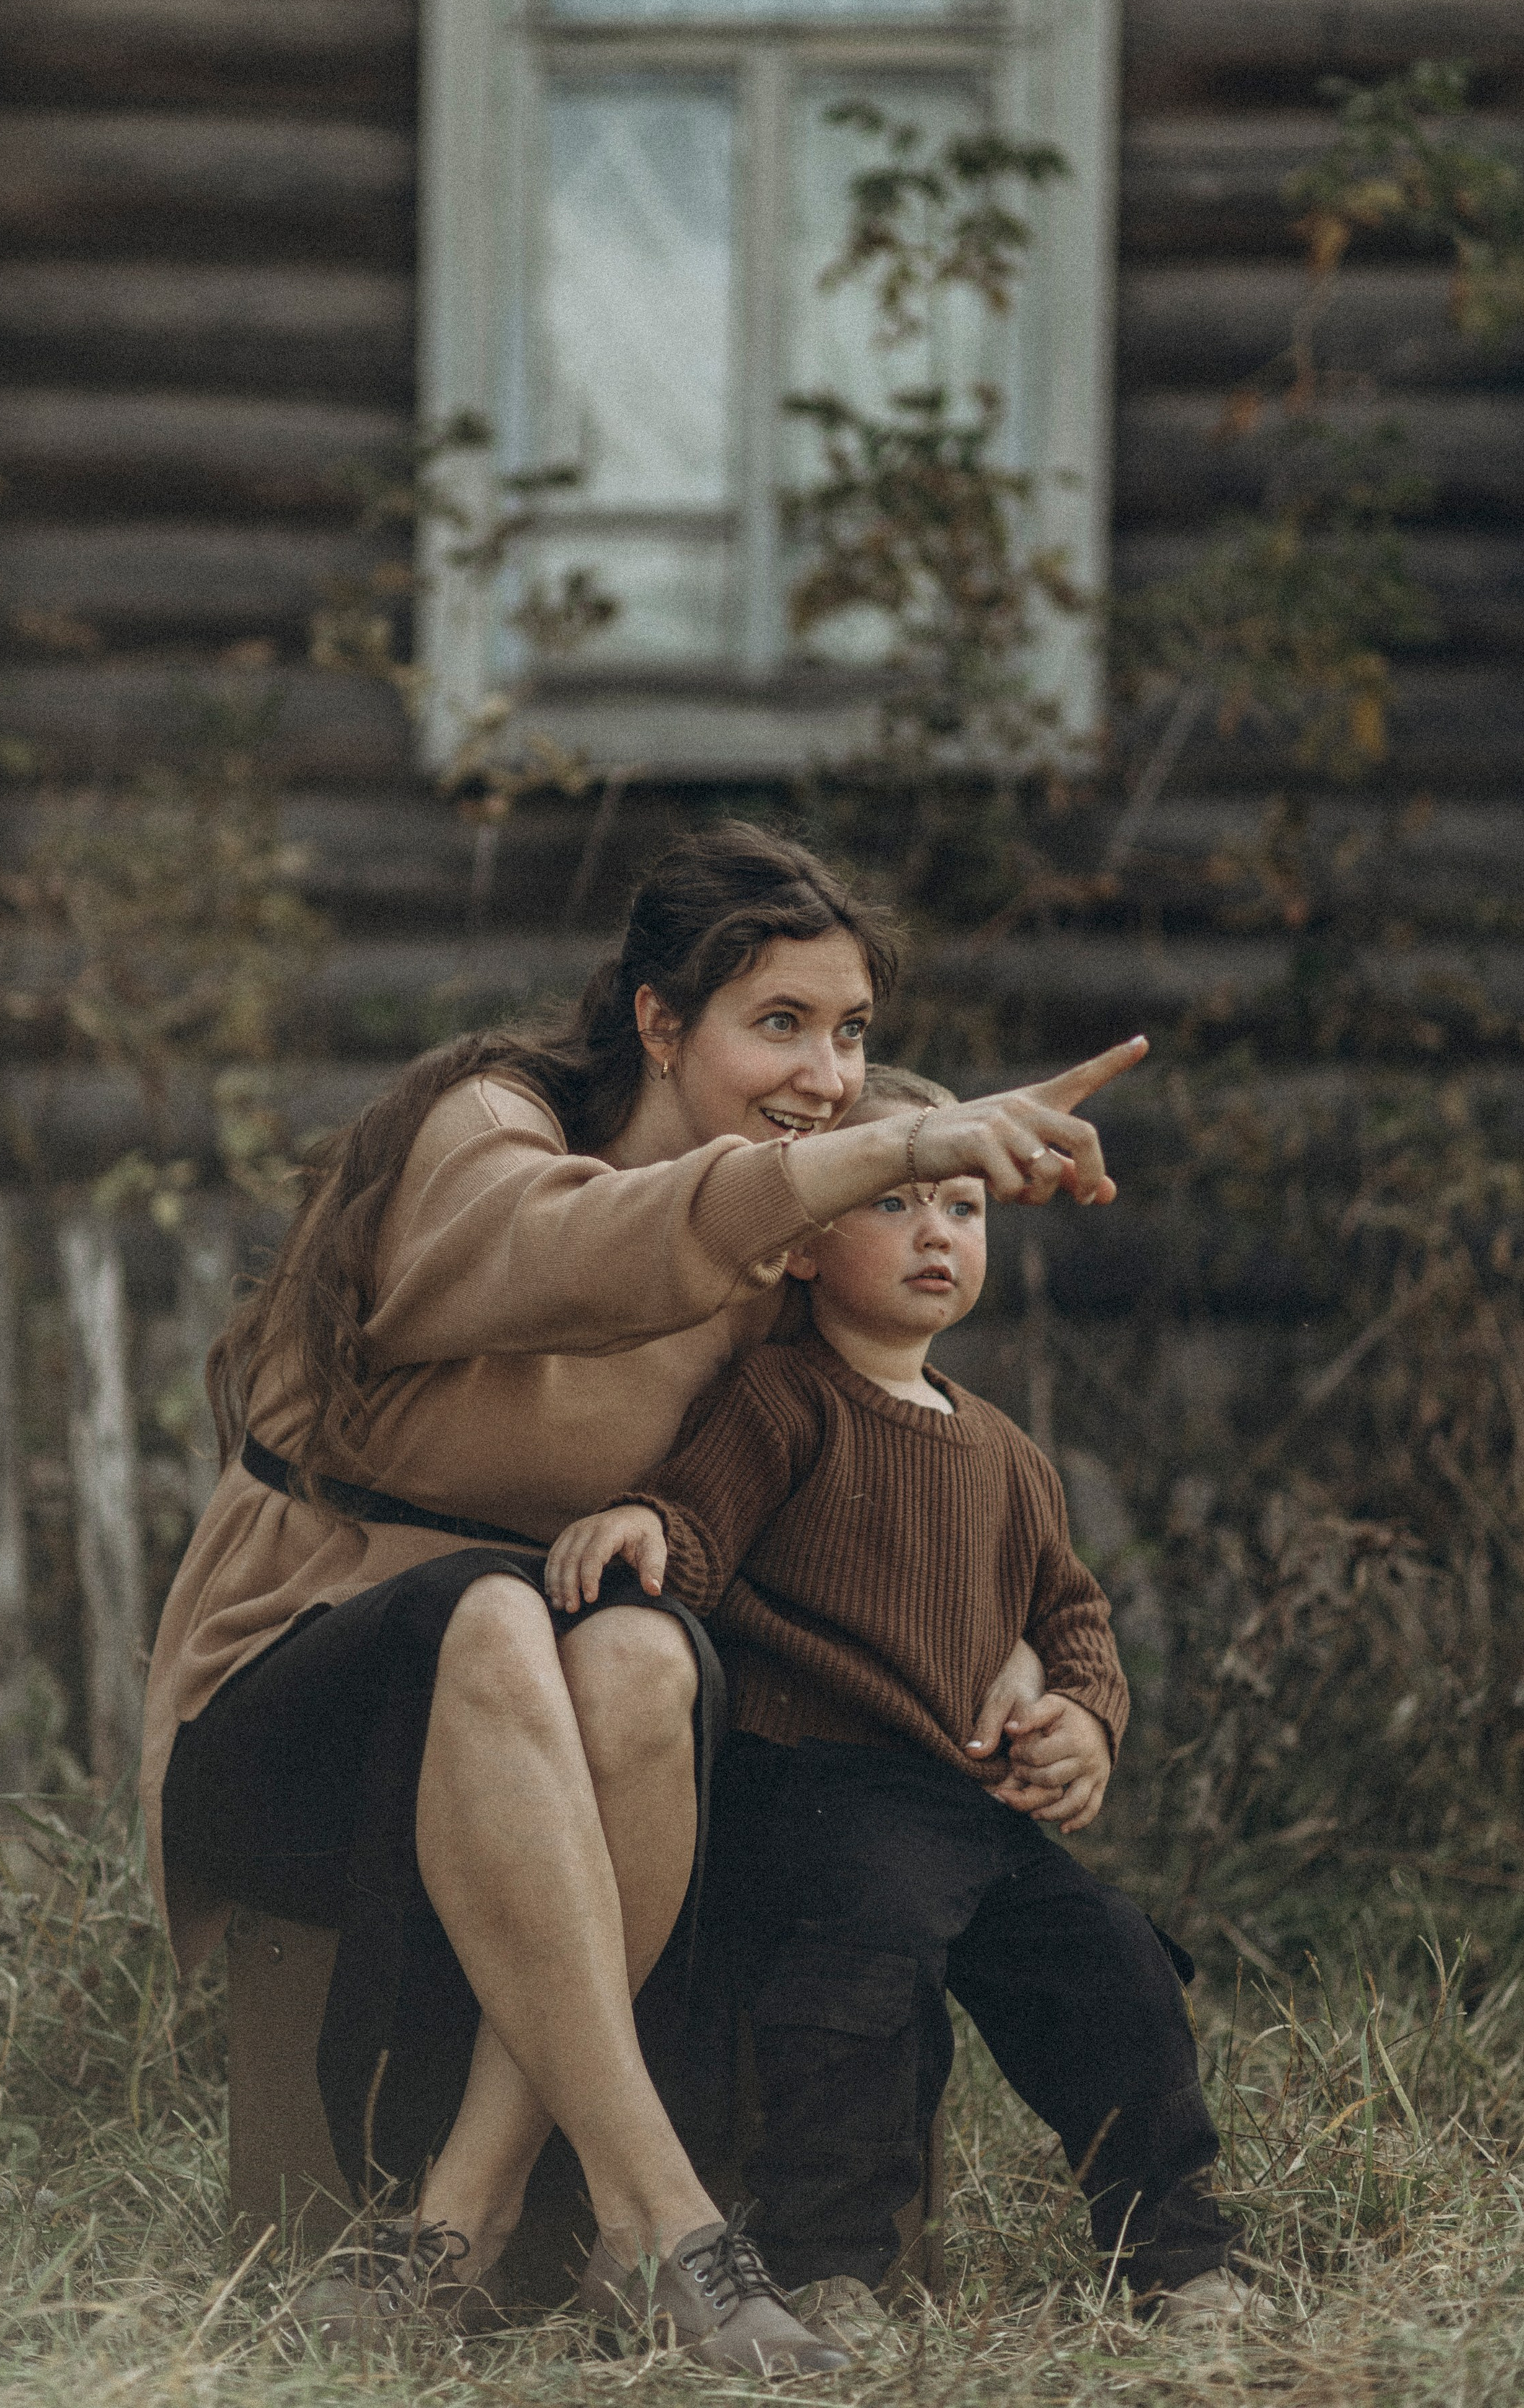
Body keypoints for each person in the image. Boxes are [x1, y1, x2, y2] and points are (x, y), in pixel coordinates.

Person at [140, 824, 1147, 2365]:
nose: (826, 1075)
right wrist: (890, 1149)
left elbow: (859, 1472)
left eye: (852, 1033)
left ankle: (457, 2221)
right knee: (491, 1611)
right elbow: (587, 1253)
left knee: (636, 1653)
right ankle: (670, 2223)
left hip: (544, 1732)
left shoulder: (770, 1249)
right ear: (658, 1022)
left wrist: (1018, 1655)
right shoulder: (489, 1133)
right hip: (297, 1704)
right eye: (780, 1023)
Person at [544, 1065, 1251, 2327]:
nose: (937, 1234)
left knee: (1117, 1969)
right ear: (805, 1247)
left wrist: (1086, 1719)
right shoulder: (785, 1400)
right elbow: (699, 1527)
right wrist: (645, 1522)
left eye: (963, 1210)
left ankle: (1176, 2254)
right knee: (859, 1988)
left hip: (973, 1808)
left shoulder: (1007, 1453)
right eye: (896, 1204)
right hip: (816, 1784)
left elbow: (1073, 1616)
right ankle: (826, 2264)